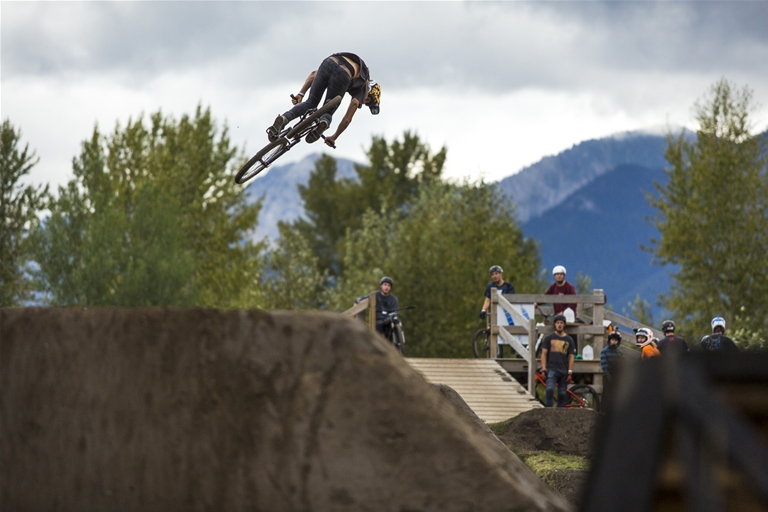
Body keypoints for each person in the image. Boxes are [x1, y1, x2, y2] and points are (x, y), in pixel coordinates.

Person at [267, 52, 380, 148]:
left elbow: (313, 74)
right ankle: (324, 122)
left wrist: (301, 94)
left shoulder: (358, 73)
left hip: (329, 61)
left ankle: (284, 118)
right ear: (370, 90)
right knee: (329, 111)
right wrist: (334, 137)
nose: (365, 102)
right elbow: (347, 119)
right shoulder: (363, 86)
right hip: (344, 73)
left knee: (310, 102)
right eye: (368, 100)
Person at [539, 314, 576, 408]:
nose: (559, 324)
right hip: (551, 368)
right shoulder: (549, 338)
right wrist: (543, 369)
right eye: (558, 322)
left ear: (564, 325)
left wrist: (570, 372)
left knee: (562, 394)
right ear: (555, 324)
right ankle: (549, 410)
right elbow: (543, 354)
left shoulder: (569, 340)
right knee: (550, 389)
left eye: (561, 323)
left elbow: (571, 356)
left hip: (564, 370)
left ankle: (560, 414)